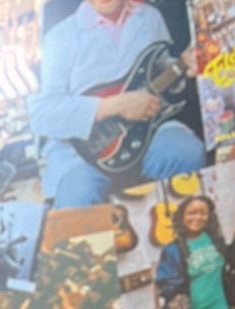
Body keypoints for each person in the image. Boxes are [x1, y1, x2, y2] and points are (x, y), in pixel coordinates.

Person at [27, 0, 204, 209]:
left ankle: (178, 235)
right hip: (83, 151)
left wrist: (183, 65)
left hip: (148, 132)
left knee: (188, 152)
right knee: (78, 196)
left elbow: (158, 69)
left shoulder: (150, 18)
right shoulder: (59, 37)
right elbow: (43, 114)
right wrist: (117, 106)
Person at [155, 194, 233, 309]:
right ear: (182, 216)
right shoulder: (173, 250)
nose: (198, 217)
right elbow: (167, 288)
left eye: (203, 213)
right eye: (192, 213)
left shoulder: (216, 241)